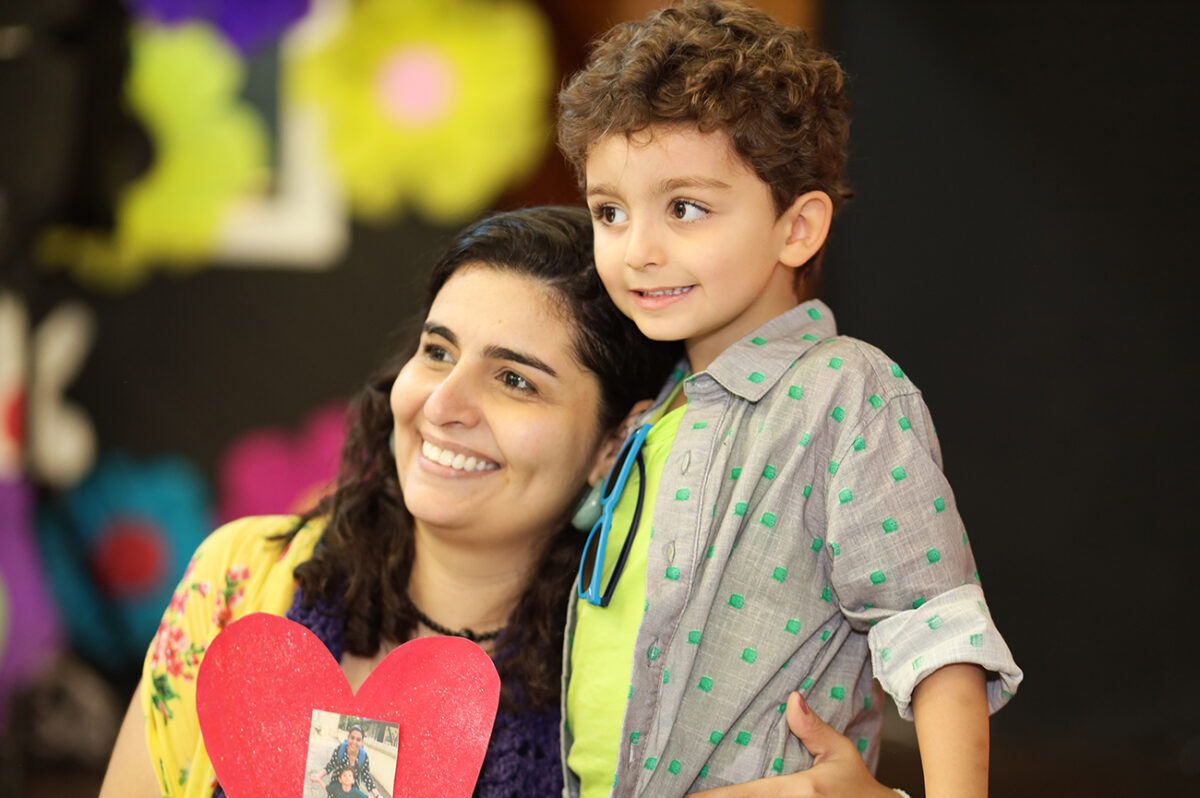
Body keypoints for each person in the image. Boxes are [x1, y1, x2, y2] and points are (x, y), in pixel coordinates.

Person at [555, 3, 1023, 797]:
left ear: (798, 228)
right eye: (610, 211)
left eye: (685, 208)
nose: (638, 249)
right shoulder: (652, 414)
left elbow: (935, 630)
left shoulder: (842, 391)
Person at [96, 206, 681, 798]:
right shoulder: (241, 576)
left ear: (614, 443)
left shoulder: (637, 684)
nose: (442, 405)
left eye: (514, 380)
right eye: (438, 352)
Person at [308, 725, 377, 798]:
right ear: (348, 738)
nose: (354, 742)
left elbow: (367, 778)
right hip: (335, 791)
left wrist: (377, 795)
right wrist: (318, 776)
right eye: (352, 738)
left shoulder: (363, 757)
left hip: (352, 794)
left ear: (362, 741)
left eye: (358, 739)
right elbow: (330, 766)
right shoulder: (340, 750)